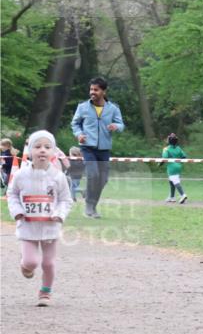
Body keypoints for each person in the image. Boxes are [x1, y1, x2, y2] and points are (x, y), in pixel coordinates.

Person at [6, 130, 73, 306]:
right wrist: (17, 211)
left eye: (47, 147)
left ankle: (45, 292)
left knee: (48, 263)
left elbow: (66, 200)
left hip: (50, 227)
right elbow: (12, 194)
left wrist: (59, 214)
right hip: (27, 226)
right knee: (31, 262)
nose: (42, 150)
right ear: (29, 150)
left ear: (53, 152)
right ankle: (25, 265)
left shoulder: (58, 176)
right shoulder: (21, 174)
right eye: (37, 146)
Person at [71, 77, 125, 218]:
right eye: (91, 89)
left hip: (104, 148)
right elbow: (75, 124)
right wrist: (79, 134)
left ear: (104, 91)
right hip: (87, 147)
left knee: (103, 179)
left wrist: (116, 126)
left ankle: (93, 204)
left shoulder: (113, 108)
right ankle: (89, 205)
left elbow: (121, 124)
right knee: (93, 174)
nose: (92, 92)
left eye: (96, 89)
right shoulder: (82, 107)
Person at [161, 133, 189, 204]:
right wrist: (178, 161)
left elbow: (165, 158)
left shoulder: (166, 149)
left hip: (171, 167)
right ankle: (172, 197)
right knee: (171, 182)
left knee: (176, 182)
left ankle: (183, 195)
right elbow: (184, 156)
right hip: (178, 166)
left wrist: (160, 163)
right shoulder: (178, 148)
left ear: (169, 140)